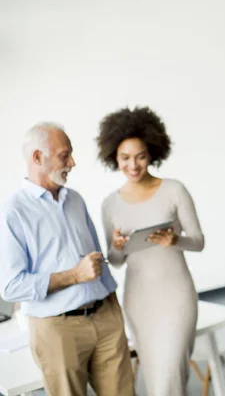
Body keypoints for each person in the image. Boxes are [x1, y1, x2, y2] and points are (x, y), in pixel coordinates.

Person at [0, 123, 134, 396]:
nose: (72, 162)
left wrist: (116, 253)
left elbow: (95, 261)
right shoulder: (12, 212)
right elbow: (11, 286)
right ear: (38, 158)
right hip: (57, 329)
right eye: (64, 155)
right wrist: (74, 276)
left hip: (106, 316)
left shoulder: (75, 200)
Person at [97, 106, 205, 396]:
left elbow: (198, 241)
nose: (133, 165)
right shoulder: (110, 204)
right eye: (125, 158)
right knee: (156, 376)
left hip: (176, 296)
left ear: (152, 153)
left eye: (140, 156)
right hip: (139, 299)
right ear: (114, 158)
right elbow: (117, 262)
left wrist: (175, 240)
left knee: (172, 371)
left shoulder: (174, 190)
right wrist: (116, 247)